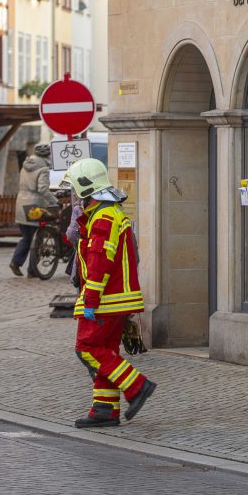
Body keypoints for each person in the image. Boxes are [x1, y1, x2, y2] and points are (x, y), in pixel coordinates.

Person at [62, 157, 157, 428]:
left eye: (75, 191)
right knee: (105, 351)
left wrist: (90, 300)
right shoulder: (110, 213)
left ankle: (137, 386)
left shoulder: (103, 217)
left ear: (85, 187)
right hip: (115, 299)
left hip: (105, 300)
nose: (74, 197)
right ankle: (104, 409)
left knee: (87, 347)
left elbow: (99, 262)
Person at [10, 144, 57, 277]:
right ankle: (32, 271)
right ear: (47, 156)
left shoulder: (25, 165)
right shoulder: (43, 169)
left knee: (26, 237)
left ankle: (15, 262)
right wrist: (54, 201)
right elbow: (43, 189)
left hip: (20, 203)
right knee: (38, 238)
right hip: (34, 206)